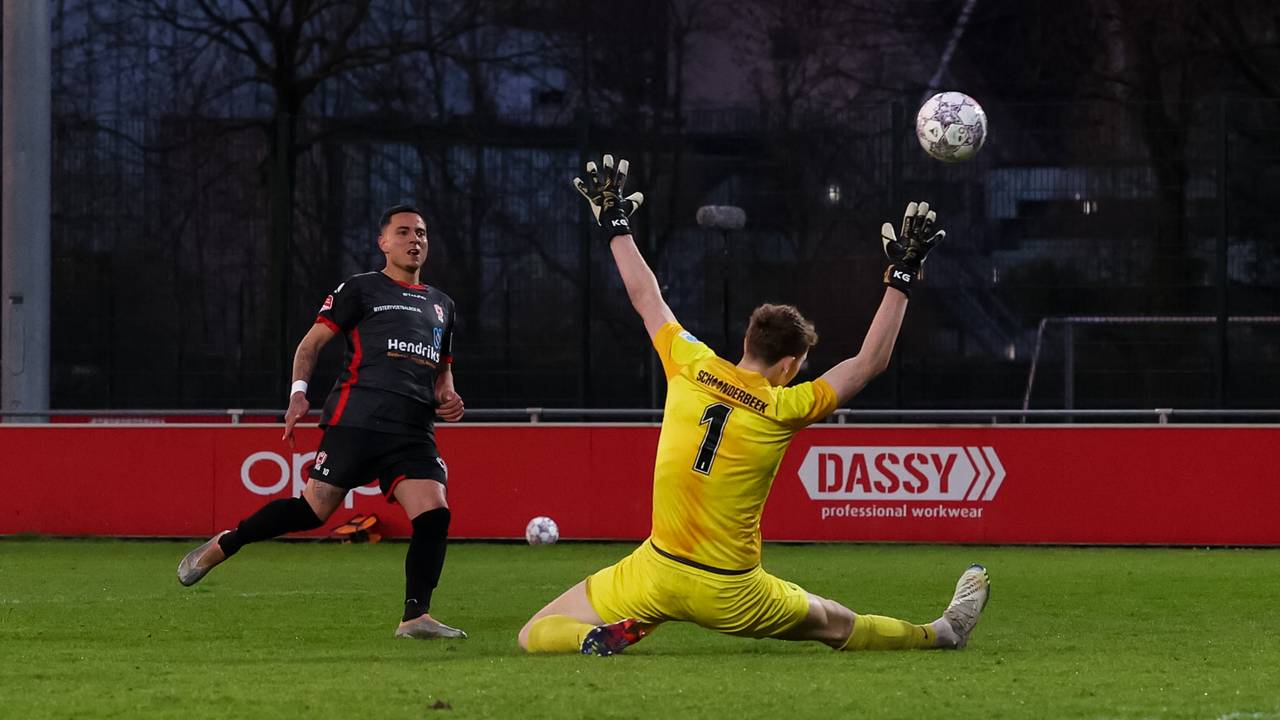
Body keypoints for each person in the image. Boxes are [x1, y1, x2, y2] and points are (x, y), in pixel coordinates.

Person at [517, 155, 989, 656]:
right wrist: (903, 277)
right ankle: (940, 633)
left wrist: (615, 223)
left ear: (747, 340)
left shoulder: (689, 364)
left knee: (534, 633)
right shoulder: (785, 407)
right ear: (789, 364)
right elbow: (869, 362)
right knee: (835, 622)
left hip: (655, 572)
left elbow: (645, 295)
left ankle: (591, 637)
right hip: (731, 590)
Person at [178, 204, 469, 640]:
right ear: (383, 242)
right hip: (358, 419)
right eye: (404, 232)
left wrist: (448, 396)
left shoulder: (442, 305)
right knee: (313, 511)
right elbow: (310, 345)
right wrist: (298, 394)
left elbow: (442, 371)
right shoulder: (360, 288)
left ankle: (415, 617)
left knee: (434, 513)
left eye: (422, 233)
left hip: (413, 429)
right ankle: (228, 542)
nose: (415, 239)